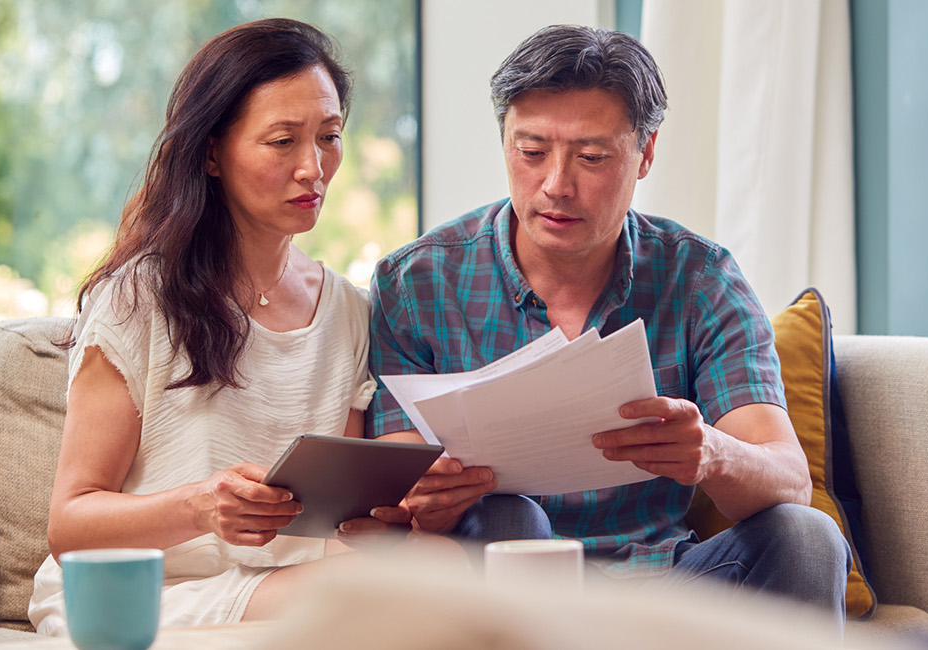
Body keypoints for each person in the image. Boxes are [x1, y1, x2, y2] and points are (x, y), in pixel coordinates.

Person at [354, 25, 851, 624]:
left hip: (664, 586)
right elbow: (401, 495)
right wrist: (427, 502)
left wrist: (712, 453)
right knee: (509, 515)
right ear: (504, 141)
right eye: (531, 152)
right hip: (502, 592)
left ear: (645, 153)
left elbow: (789, 480)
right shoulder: (416, 283)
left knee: (808, 537)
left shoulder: (700, 279)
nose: (556, 185)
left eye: (591, 158)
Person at [29, 18, 397, 634]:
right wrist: (200, 506)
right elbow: (70, 527)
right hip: (146, 588)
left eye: (329, 137)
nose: (313, 168)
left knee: (440, 566)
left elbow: (336, 520)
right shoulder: (138, 299)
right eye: (282, 141)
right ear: (210, 154)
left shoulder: (348, 310)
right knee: (378, 593)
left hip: (290, 583)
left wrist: (392, 515)